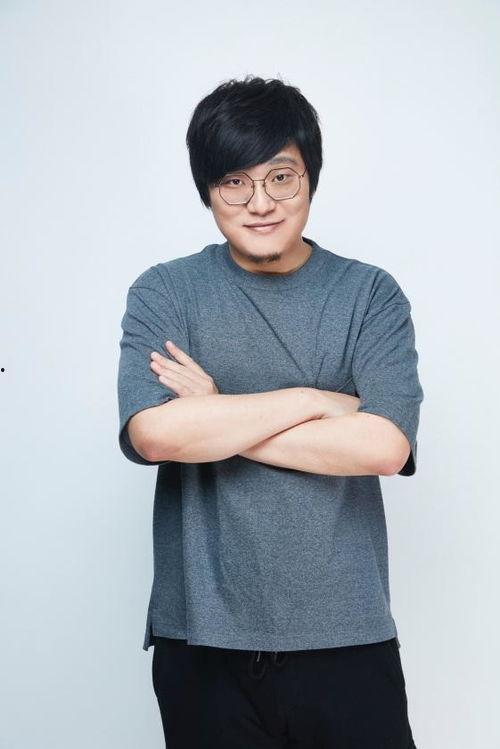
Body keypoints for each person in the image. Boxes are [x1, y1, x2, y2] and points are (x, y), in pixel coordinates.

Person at [117, 75, 423, 748]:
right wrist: (314, 401)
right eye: (235, 182)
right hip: (202, 642)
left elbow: (383, 447)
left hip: (348, 637)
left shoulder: (369, 295)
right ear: (207, 190)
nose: (260, 203)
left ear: (310, 178)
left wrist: (214, 414)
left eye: (281, 177)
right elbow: (156, 434)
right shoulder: (166, 292)